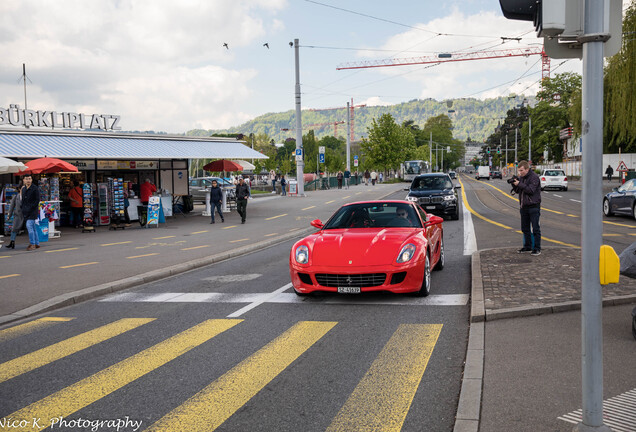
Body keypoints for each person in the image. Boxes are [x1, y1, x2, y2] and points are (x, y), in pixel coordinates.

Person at [512, 160, 542, 256]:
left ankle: (537, 248)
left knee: (535, 228)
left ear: (527, 169)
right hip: (523, 206)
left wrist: (519, 184)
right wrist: (514, 183)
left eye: (521, 170)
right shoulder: (521, 178)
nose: (520, 173)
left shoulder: (534, 177)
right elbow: (517, 191)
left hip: (533, 206)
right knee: (525, 228)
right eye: (519, 171)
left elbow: (530, 190)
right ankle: (527, 246)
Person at [21, 174, 40, 251]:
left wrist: (31, 207)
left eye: (29, 179)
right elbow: (23, 200)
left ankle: (32, 244)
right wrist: (22, 208)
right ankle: (37, 243)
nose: (28, 180)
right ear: (24, 180)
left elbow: (37, 200)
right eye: (26, 179)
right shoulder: (24, 189)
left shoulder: (35, 188)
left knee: (29, 226)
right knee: (33, 228)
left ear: (31, 180)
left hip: (32, 211)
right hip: (25, 211)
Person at [5, 182, 23, 249]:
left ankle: (33, 243)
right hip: (17, 215)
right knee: (14, 229)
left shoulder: (27, 196)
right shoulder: (16, 197)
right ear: (19, 189)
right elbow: (11, 207)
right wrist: (9, 215)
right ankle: (12, 242)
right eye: (22, 189)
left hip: (25, 215)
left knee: (30, 228)